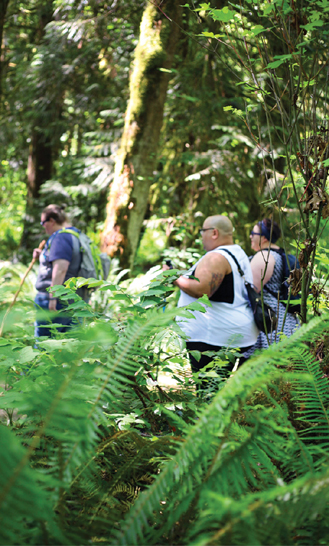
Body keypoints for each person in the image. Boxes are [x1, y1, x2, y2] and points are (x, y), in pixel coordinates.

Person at [170, 215, 259, 387]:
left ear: (214, 233)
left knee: (208, 392)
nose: (201, 236)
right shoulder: (237, 252)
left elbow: (201, 290)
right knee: (219, 389)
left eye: (202, 231)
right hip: (232, 332)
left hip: (213, 337)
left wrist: (174, 277)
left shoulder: (216, 257)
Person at [244, 218, 300, 357]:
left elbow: (250, 291)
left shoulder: (264, 256)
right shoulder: (280, 255)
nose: (250, 236)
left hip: (270, 323)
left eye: (253, 233)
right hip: (287, 320)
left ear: (263, 238)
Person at [33, 204, 81, 337]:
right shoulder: (75, 235)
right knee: (69, 348)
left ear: (52, 221)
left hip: (56, 301)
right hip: (74, 299)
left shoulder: (61, 237)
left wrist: (53, 298)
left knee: (44, 346)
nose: (43, 226)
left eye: (43, 222)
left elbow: (61, 268)